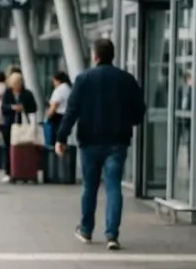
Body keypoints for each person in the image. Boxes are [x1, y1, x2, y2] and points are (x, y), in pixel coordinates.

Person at [54, 38, 146, 250]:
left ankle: (86, 230)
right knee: (114, 187)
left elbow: (71, 112)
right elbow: (139, 110)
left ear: (95, 56)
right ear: (112, 55)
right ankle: (112, 235)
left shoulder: (84, 79)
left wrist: (61, 138)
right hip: (117, 141)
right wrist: (128, 122)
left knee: (90, 187)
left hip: (90, 142)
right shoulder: (126, 79)